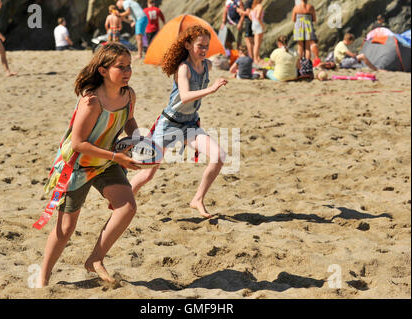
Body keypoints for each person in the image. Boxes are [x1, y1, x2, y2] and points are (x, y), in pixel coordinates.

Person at [37, 43, 143, 288]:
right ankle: (43, 277)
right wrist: (117, 157)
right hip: (78, 165)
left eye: (129, 66)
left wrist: (138, 137)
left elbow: (129, 119)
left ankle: (95, 259)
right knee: (65, 229)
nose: (127, 71)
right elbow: (77, 144)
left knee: (126, 207)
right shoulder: (92, 100)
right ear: (104, 70)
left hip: (106, 161)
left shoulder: (128, 94)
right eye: (120, 67)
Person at [129, 25, 228, 219]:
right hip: (169, 124)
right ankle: (124, 200)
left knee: (219, 156)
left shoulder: (207, 65)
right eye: (200, 45)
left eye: (206, 46)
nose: (204, 49)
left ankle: (198, 199)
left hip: (190, 124)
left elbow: (220, 60)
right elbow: (184, 96)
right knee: (148, 174)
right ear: (188, 45)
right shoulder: (183, 68)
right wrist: (212, 89)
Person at [250, 0, 265, 65]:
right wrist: (262, 25)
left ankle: (257, 58)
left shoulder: (254, 7)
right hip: (258, 23)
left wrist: (254, 21)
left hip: (254, 23)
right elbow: (258, 16)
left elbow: (250, 16)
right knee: (257, 43)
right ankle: (256, 59)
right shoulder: (260, 6)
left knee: (256, 43)